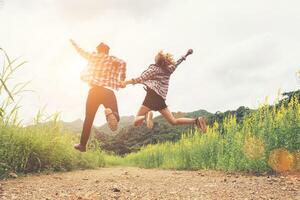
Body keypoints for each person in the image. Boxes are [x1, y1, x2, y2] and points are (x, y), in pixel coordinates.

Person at [121, 49, 207, 133]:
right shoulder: (169, 69)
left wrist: (126, 82)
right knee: (173, 121)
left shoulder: (153, 69)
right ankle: (196, 120)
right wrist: (187, 54)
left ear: (156, 61)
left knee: (136, 121)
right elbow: (178, 62)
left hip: (152, 95)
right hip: (160, 99)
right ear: (164, 61)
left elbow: (140, 79)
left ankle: (146, 116)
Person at [70, 39, 126, 152]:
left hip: (94, 91)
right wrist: (122, 79)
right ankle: (112, 114)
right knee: (115, 113)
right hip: (108, 91)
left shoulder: (94, 56)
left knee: (89, 118)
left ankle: (82, 145)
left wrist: (73, 43)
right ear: (107, 51)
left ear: (98, 50)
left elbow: (81, 51)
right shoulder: (112, 59)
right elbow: (123, 63)